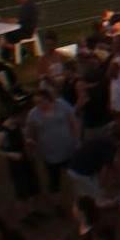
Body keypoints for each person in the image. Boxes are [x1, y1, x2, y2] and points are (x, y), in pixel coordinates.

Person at [25, 84, 80, 217]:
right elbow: (29, 133)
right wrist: (30, 142)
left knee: (75, 176)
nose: (38, 105)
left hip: (68, 149)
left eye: (40, 101)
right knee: (54, 181)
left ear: (48, 99)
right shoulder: (33, 114)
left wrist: (77, 140)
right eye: (36, 103)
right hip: (50, 154)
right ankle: (57, 206)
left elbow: (73, 121)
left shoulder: (62, 105)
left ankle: (79, 202)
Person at [0, 111, 44, 223]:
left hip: (26, 160)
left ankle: (32, 211)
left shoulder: (17, 125)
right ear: (15, 116)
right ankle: (23, 217)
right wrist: (10, 154)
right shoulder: (4, 131)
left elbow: (22, 138)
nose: (24, 119)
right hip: (16, 165)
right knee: (21, 192)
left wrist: (28, 141)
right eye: (22, 117)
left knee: (32, 187)